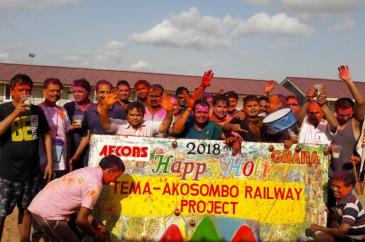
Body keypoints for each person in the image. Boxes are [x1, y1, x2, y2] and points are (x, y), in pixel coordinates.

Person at [0, 74, 53, 241]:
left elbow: (46, 135)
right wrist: (16, 112)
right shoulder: (3, 109)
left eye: (28, 90)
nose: (24, 93)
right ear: (12, 91)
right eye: (20, 90)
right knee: (1, 213)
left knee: (27, 210)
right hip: (7, 174)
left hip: (31, 173)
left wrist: (50, 162)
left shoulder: (36, 111)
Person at [28, 155, 125, 242]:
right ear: (109, 171)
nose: (114, 182)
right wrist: (97, 236)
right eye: (116, 177)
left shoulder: (90, 172)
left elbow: (80, 211)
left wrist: (96, 225)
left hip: (44, 205)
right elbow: (81, 221)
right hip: (47, 212)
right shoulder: (95, 184)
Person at [69, 80, 126, 168]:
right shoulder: (90, 110)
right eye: (102, 92)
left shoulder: (119, 111)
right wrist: (76, 155)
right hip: (93, 153)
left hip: (113, 154)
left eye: (108, 92)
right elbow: (87, 135)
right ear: (96, 93)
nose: (105, 95)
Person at [310, 171, 365, 242]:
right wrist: (331, 215)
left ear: (350, 188)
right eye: (333, 185)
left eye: (338, 187)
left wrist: (320, 228)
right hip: (349, 235)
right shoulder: (341, 199)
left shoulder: (351, 206)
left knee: (321, 237)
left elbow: (342, 232)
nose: (334, 189)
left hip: (355, 238)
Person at [100, 91, 174, 137]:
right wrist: (105, 106)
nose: (135, 118)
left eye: (138, 115)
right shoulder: (120, 125)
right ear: (127, 115)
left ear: (143, 115)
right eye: (132, 115)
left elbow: (164, 126)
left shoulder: (149, 125)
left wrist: (170, 112)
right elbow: (104, 122)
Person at [39, 78, 71, 178]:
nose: (55, 93)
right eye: (52, 90)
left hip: (61, 158)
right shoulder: (38, 109)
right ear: (44, 91)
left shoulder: (63, 110)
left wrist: (68, 158)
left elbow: (67, 133)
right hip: (43, 159)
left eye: (58, 91)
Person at [64, 78, 93, 169]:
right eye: (74, 91)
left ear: (88, 92)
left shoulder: (94, 108)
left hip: (89, 150)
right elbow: (63, 128)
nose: (76, 94)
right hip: (70, 148)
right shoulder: (68, 107)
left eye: (80, 91)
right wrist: (70, 127)